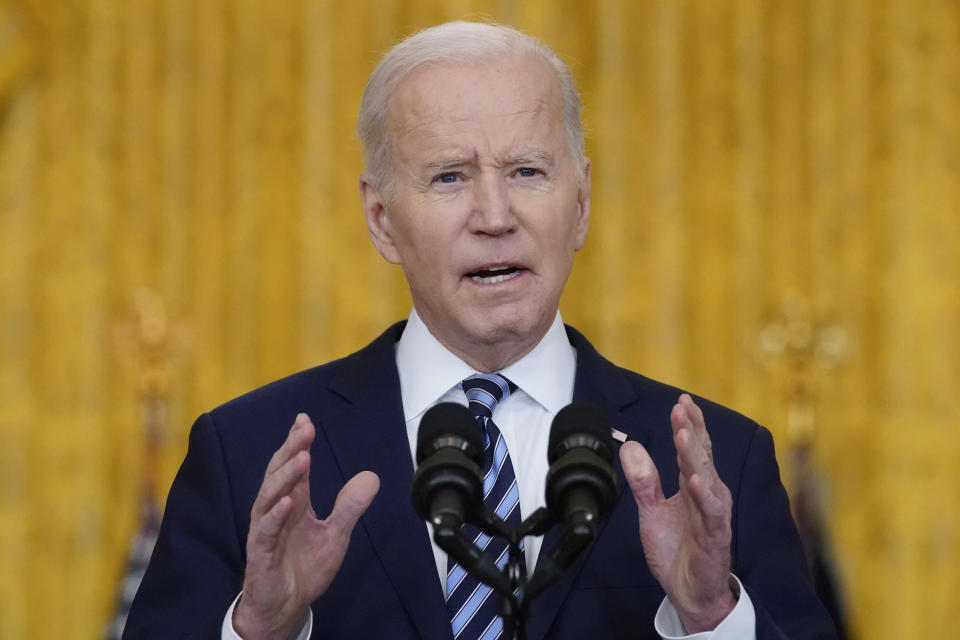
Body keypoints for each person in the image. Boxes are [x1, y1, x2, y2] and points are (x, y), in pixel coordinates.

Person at [124, 21, 836, 640]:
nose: (495, 215)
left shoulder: (718, 465)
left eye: (527, 171)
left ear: (581, 202)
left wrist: (713, 617)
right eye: (449, 178)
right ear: (381, 219)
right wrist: (258, 630)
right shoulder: (247, 456)